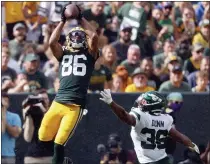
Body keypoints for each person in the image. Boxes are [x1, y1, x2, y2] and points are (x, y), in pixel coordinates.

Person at [38, 5, 99, 164]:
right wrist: (63, 21)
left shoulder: (90, 54)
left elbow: (94, 38)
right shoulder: (63, 53)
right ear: (68, 39)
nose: (77, 38)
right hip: (58, 102)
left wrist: (80, 18)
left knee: (60, 142)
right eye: (74, 35)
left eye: (80, 36)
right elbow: (52, 42)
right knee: (43, 136)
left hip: (75, 105)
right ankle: (61, 160)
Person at [99, 89, 200, 164]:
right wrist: (191, 145)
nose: (140, 102)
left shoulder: (141, 116)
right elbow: (179, 136)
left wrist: (111, 103)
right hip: (164, 160)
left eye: (143, 101)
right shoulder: (165, 118)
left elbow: (124, 116)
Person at [23, 90, 54, 164]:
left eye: (45, 99)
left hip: (49, 157)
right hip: (32, 157)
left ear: (49, 100)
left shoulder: (54, 113)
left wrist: (44, 112)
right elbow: (28, 138)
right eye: (40, 99)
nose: (42, 101)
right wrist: (28, 116)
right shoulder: (32, 113)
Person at [1, 93, 22, 164]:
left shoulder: (14, 117)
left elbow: (16, 134)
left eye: (5, 101)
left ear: (9, 104)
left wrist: (3, 118)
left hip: (8, 156)